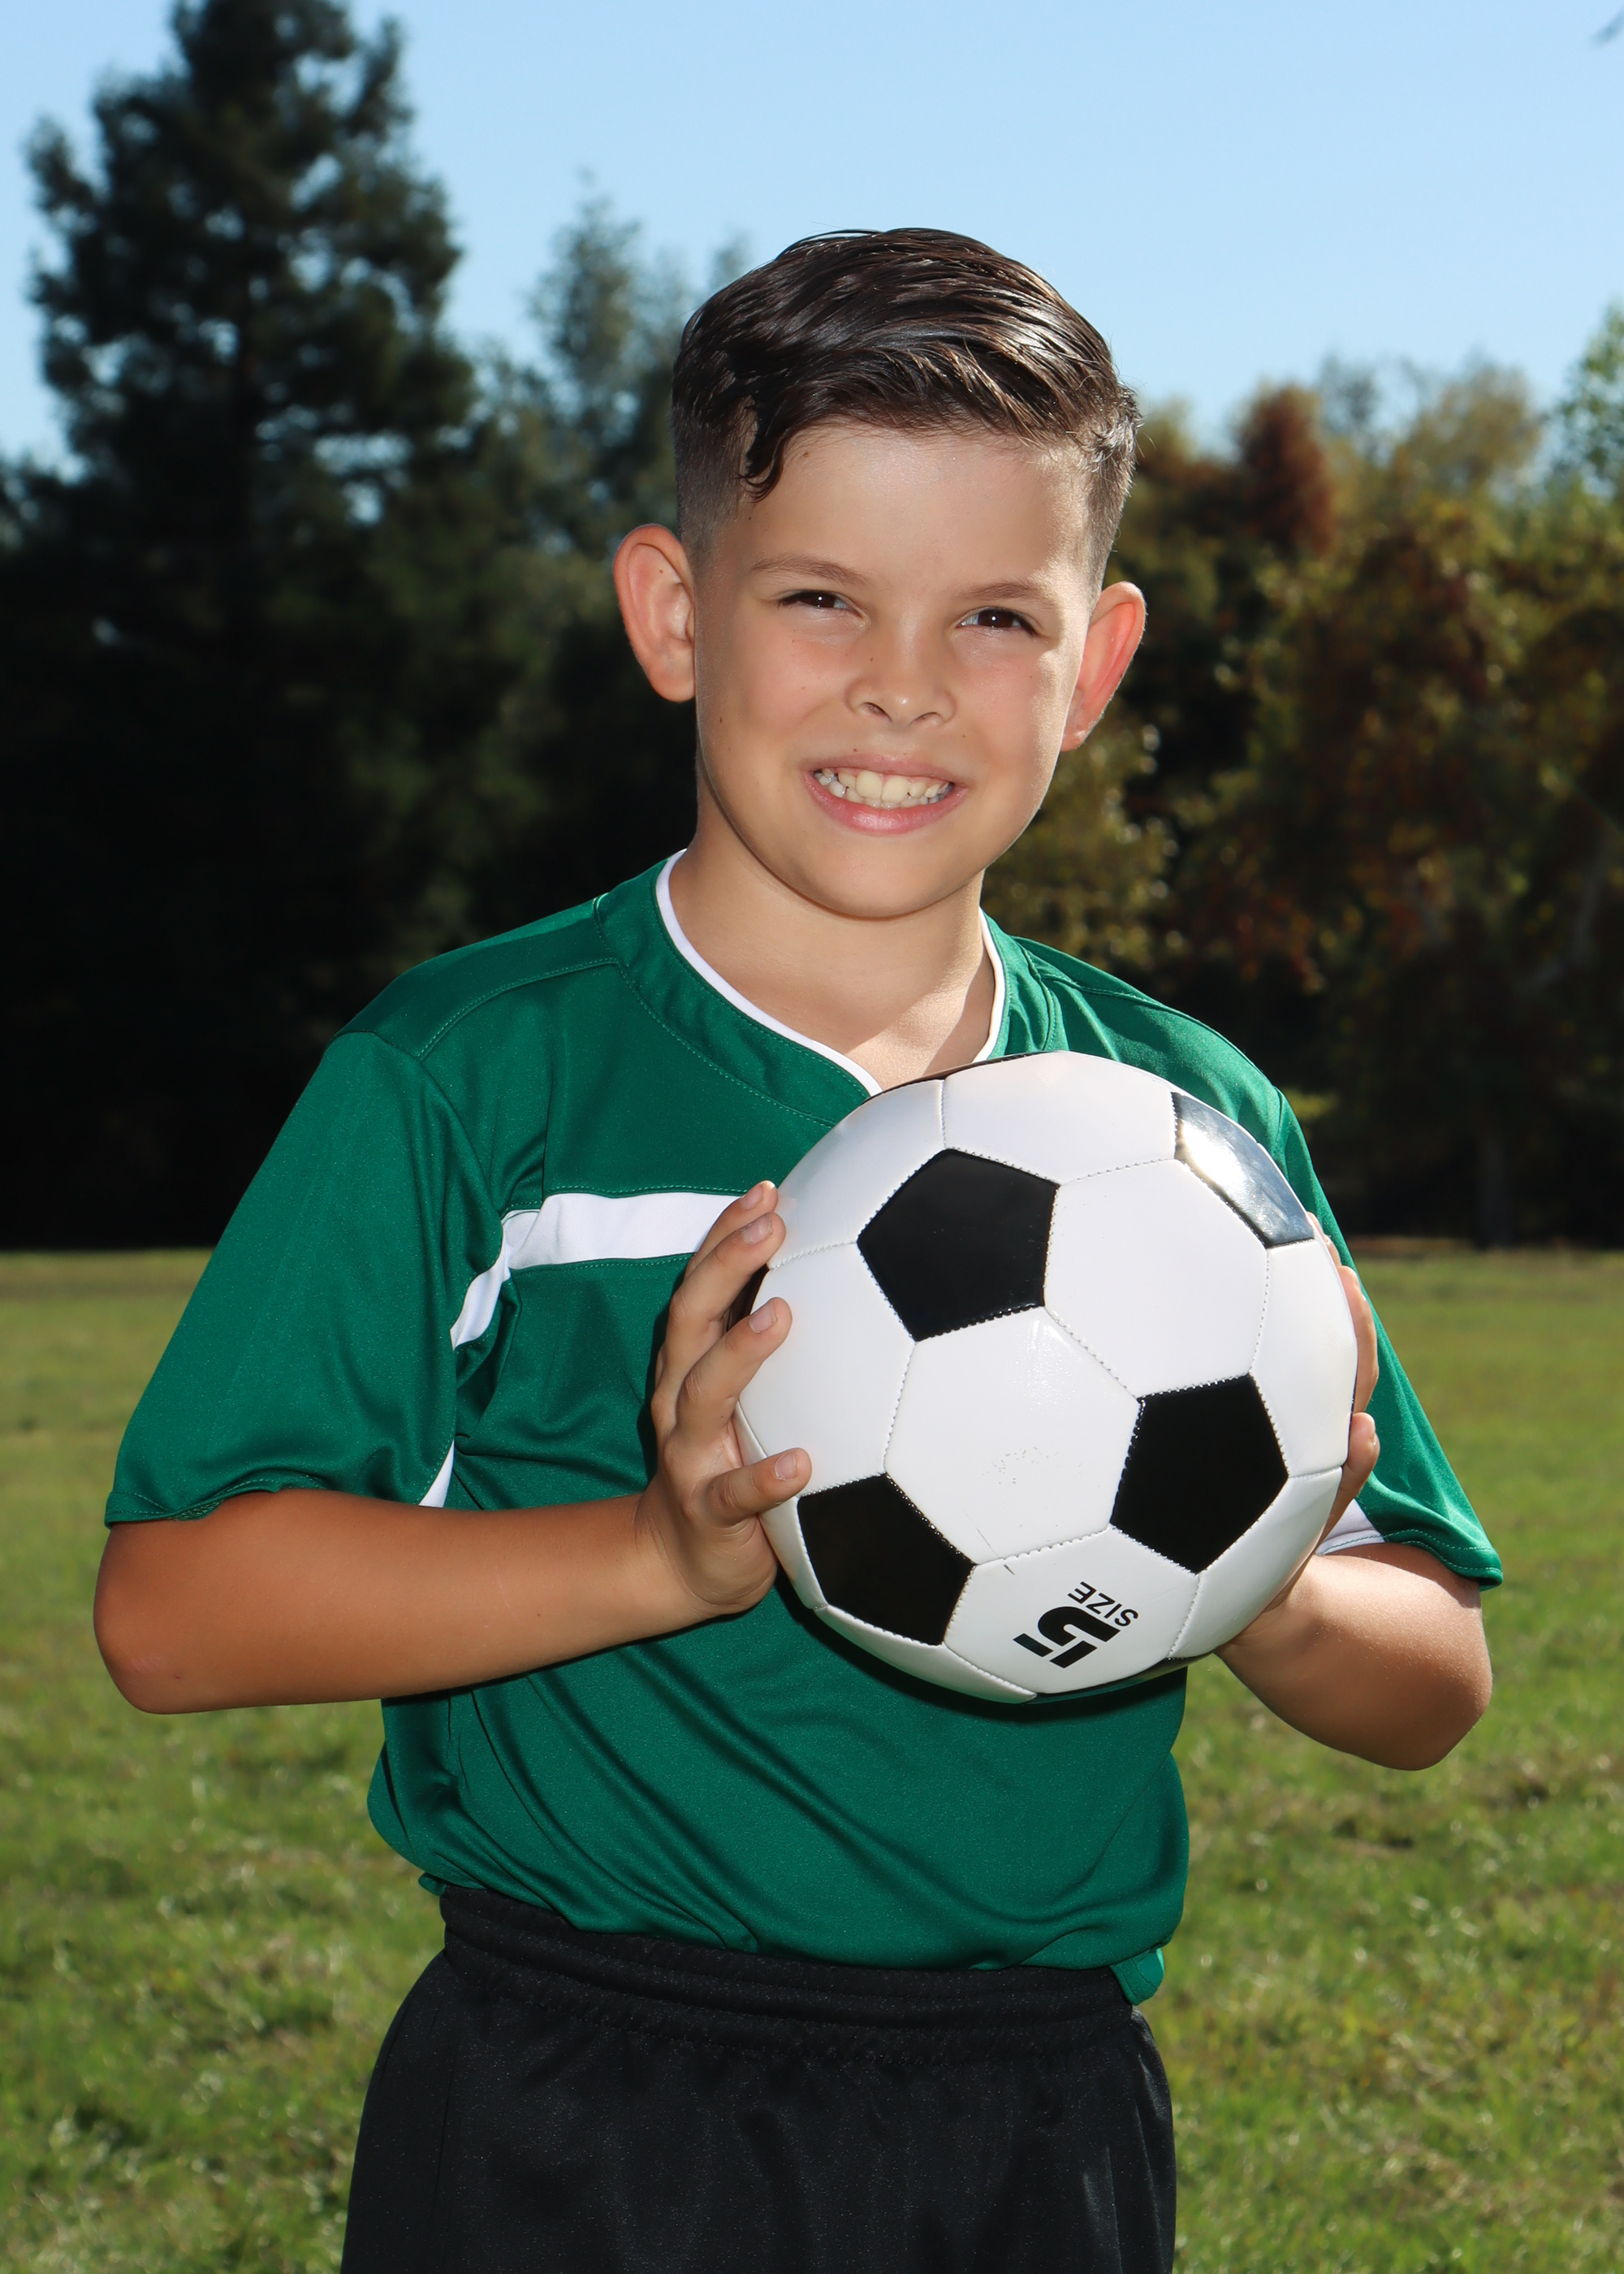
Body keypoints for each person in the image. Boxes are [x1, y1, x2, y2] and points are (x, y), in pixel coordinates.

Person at [94, 230, 1498, 2274]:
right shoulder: (470, 1077)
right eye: (821, 595)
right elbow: (173, 1613)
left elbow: (1433, 1678)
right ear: (675, 613)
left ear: (1097, 664)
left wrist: (1253, 1572)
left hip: (1042, 2110)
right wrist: (651, 1557)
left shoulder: (1186, 1131)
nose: (902, 684)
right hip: (583, 2099)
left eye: (994, 615)